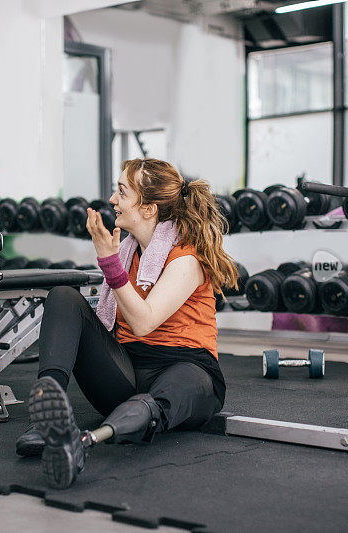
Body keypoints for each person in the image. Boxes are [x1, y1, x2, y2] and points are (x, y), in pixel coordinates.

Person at [16, 158, 239, 489]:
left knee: (166, 395)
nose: (112, 200)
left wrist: (109, 264)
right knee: (63, 296)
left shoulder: (187, 258)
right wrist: (113, 262)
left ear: (148, 209)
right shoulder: (129, 251)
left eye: (121, 191)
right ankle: (46, 419)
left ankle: (89, 440)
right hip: (127, 368)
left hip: (186, 369)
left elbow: (144, 322)